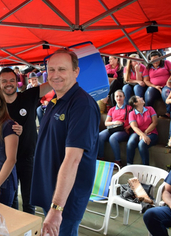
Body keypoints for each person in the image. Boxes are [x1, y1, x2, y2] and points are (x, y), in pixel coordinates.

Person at [30, 48, 100, 236]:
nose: (55, 75)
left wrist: (56, 208)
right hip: (51, 191)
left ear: (75, 72)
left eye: (62, 69)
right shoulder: (56, 100)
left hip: (65, 199)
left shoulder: (81, 104)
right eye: (51, 70)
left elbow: (73, 160)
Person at [0, 67, 52, 214]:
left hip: (28, 157)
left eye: (11, 80)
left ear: (17, 82)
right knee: (12, 199)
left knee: (29, 201)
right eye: (4, 81)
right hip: (7, 159)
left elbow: (52, 82)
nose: (8, 84)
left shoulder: (29, 96)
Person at [98, 90, 131, 167]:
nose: (118, 98)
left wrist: (128, 127)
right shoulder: (112, 109)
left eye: (120, 96)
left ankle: (118, 160)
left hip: (123, 130)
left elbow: (134, 121)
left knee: (112, 138)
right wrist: (114, 122)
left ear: (124, 97)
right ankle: (101, 158)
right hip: (112, 128)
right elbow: (106, 123)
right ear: (114, 98)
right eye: (117, 96)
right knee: (100, 136)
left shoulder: (129, 108)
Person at [144, 50, 171, 118]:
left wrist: (169, 81)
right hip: (155, 87)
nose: (156, 61)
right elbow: (146, 80)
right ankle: (148, 113)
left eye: (157, 59)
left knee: (166, 92)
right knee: (149, 95)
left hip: (167, 85)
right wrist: (155, 86)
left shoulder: (166, 63)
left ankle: (169, 113)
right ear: (150, 60)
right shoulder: (148, 68)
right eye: (153, 59)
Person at [127, 96, 158, 165]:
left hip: (152, 133)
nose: (141, 98)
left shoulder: (150, 109)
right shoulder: (131, 113)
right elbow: (134, 127)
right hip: (138, 133)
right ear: (135, 103)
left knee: (142, 144)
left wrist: (145, 133)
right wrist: (142, 135)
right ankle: (129, 164)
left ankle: (145, 166)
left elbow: (155, 122)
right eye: (139, 98)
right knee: (130, 143)